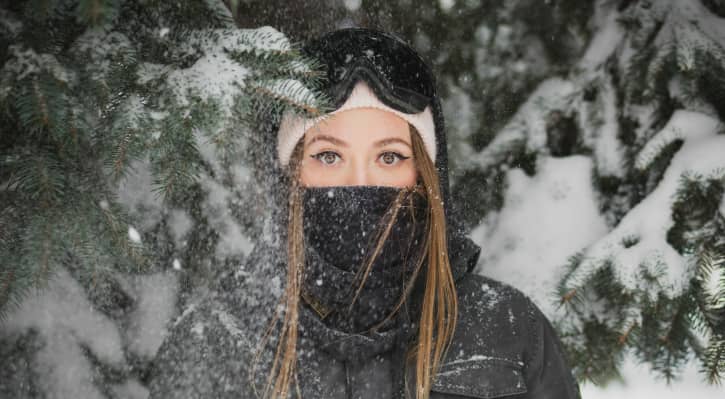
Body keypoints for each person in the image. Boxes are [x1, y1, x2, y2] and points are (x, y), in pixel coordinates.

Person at [148, 27, 581, 399]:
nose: (358, 183)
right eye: (328, 156)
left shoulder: (505, 329)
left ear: (425, 176)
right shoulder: (219, 340)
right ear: (288, 176)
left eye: (389, 158)